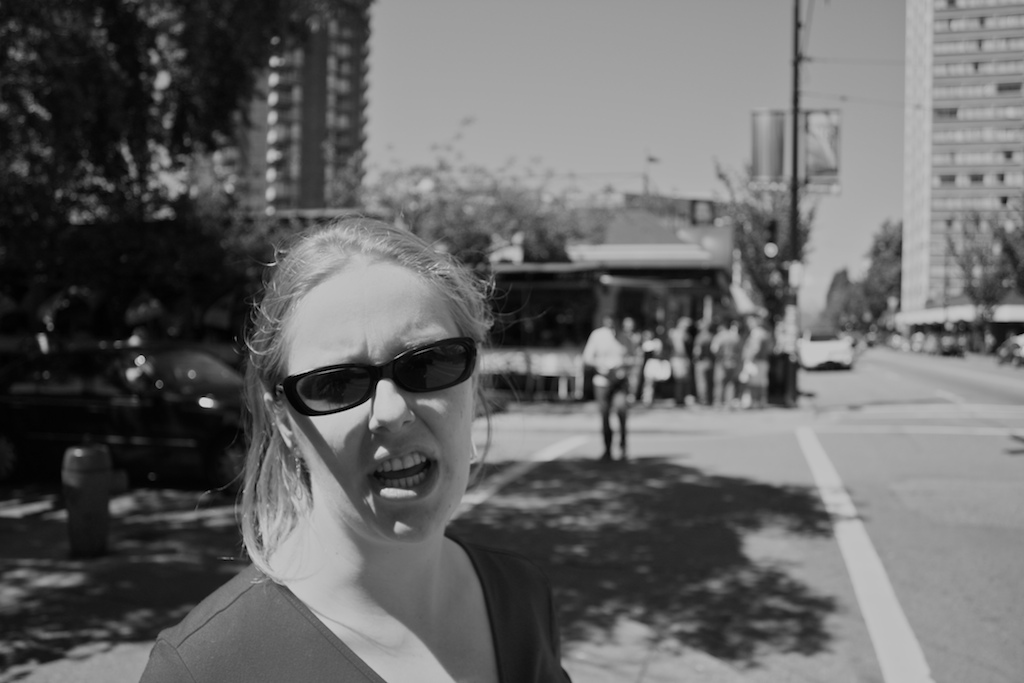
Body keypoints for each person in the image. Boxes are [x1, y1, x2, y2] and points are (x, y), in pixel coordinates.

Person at [140, 218, 571, 682]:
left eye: (429, 363)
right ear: (283, 418)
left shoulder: (522, 597)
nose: (391, 411)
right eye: (336, 383)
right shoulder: (202, 668)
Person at [582, 315, 640, 461]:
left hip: (619, 381)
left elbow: (635, 358)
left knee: (621, 410)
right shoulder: (597, 336)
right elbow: (587, 358)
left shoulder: (626, 339)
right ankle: (607, 448)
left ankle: (623, 446)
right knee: (605, 415)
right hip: (602, 381)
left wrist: (622, 365)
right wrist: (600, 366)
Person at [740, 316, 773, 410]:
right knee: (761, 383)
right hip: (763, 361)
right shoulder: (765, 333)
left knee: (754, 383)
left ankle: (755, 402)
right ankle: (761, 402)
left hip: (756, 361)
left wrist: (749, 359)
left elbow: (755, 348)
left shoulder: (756, 333)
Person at [710, 319, 742, 409]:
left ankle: (718, 402)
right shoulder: (736, 337)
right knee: (730, 383)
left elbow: (714, 349)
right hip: (733, 362)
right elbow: (740, 351)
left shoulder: (720, 336)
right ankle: (728, 402)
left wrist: (719, 356)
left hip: (722, 361)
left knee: (719, 383)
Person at [667, 317, 692, 406]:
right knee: (680, 380)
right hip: (679, 358)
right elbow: (679, 348)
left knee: (684, 380)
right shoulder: (676, 333)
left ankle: (681, 398)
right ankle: (679, 399)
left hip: (681, 358)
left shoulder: (684, 334)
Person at [691, 319, 715, 406]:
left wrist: (695, 358)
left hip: (701, 362)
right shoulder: (711, 336)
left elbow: (697, 351)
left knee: (701, 382)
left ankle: (703, 400)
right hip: (709, 361)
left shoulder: (700, 337)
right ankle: (709, 399)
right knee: (709, 382)